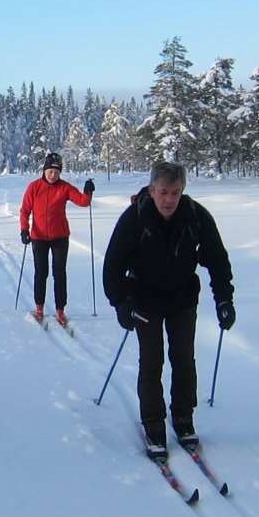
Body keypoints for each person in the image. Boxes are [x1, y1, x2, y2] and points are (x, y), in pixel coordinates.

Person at [102, 160, 235, 459]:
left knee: (184, 360)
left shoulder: (196, 216)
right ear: (152, 190)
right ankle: (153, 425)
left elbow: (217, 260)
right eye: (163, 192)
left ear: (182, 191)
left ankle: (184, 417)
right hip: (144, 300)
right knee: (152, 362)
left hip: (182, 298)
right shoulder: (134, 218)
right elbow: (113, 266)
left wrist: (224, 300)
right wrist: (121, 303)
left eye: (175, 192)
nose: (169, 200)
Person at [19, 152, 94, 326]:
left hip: (60, 237)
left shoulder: (64, 187)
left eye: (57, 172)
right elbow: (25, 210)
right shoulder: (34, 187)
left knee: (59, 273)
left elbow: (83, 202)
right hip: (38, 237)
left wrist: (88, 191)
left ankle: (60, 310)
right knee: (41, 273)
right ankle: (39, 308)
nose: (53, 175)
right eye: (50, 171)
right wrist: (24, 230)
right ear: (44, 170)